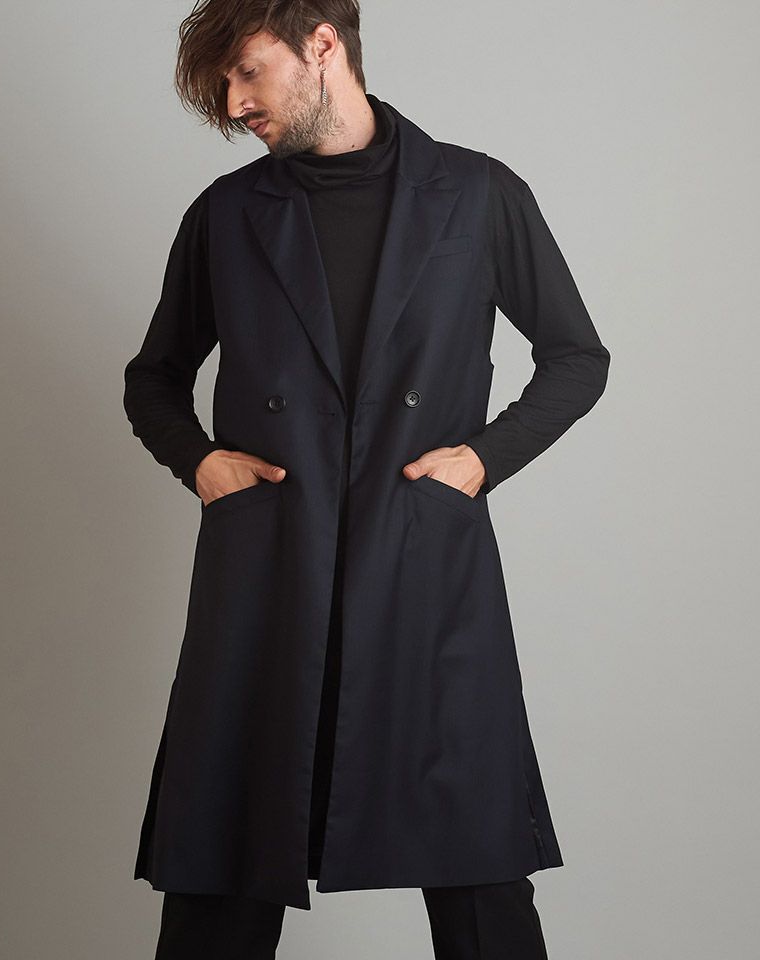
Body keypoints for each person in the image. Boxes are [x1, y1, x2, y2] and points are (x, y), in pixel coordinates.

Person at [123, 2, 610, 957]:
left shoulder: (475, 193)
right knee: (226, 849)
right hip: (269, 560)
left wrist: (482, 460)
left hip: (421, 553)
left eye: (247, 72)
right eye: (223, 85)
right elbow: (155, 377)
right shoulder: (228, 212)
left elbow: (576, 358)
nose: (234, 102)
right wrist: (199, 461)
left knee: (474, 859)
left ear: (321, 44)